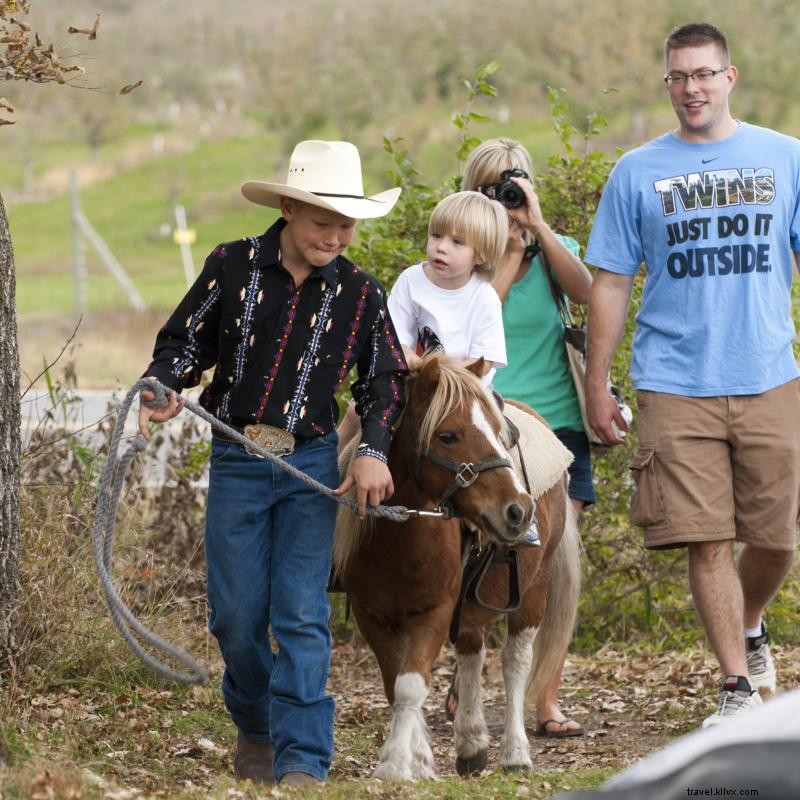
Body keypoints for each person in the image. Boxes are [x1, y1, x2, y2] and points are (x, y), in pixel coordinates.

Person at [137, 140, 408, 785]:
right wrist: (164, 382)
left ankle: (303, 758)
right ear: (288, 208)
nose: (337, 236)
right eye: (323, 221)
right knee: (236, 616)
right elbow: (183, 341)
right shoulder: (231, 266)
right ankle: (256, 723)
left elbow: (386, 383)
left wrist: (370, 450)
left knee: (301, 612)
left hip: (310, 465)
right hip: (238, 456)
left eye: (347, 224)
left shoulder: (361, 296)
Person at [584, 22, 800, 728]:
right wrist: (597, 380)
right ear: (667, 84)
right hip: (674, 382)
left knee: (778, 537)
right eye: (678, 77)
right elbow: (611, 281)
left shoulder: (784, 157)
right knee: (706, 539)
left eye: (704, 74)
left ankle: (751, 623)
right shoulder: (636, 172)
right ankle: (735, 690)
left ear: (729, 77)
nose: (691, 89)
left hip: (769, 374)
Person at [443, 137, 595, 738]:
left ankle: (545, 699)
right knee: (475, 554)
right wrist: (502, 251)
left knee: (552, 565)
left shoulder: (553, 250)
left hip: (556, 426)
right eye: (492, 189)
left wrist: (539, 227)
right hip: (490, 425)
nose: (506, 199)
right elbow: (471, 321)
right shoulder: (460, 264)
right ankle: (467, 680)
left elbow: (587, 290)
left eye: (515, 184)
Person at [336, 190, 509, 449]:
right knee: (356, 413)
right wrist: (425, 373)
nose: (441, 247)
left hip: (466, 392)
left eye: (457, 242)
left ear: (481, 254)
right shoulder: (412, 280)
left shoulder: (484, 297)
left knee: (495, 439)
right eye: (436, 235)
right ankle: (329, 468)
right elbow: (394, 343)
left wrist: (444, 380)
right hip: (413, 380)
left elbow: (481, 362)